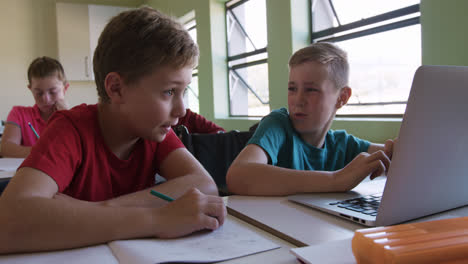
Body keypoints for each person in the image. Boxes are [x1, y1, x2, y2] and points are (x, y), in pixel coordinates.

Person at [0, 7, 226, 253]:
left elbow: (204, 185)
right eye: (169, 91)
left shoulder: (154, 132)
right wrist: (158, 219)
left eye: (184, 91)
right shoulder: (70, 129)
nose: (182, 110)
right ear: (116, 88)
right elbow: (8, 221)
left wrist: (102, 209)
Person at [226, 42, 395, 196]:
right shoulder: (277, 125)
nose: (298, 100)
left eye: (311, 90)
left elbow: (387, 154)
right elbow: (238, 176)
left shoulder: (342, 145)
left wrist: (402, 152)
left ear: (342, 97)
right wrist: (336, 179)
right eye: (292, 88)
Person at [0, 56, 69, 158]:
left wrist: (66, 116)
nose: (46, 99)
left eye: (53, 92)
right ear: (30, 89)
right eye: (39, 93)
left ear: (65, 88)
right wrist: (44, 151)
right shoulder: (19, 114)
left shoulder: (73, 118)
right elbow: (5, 148)